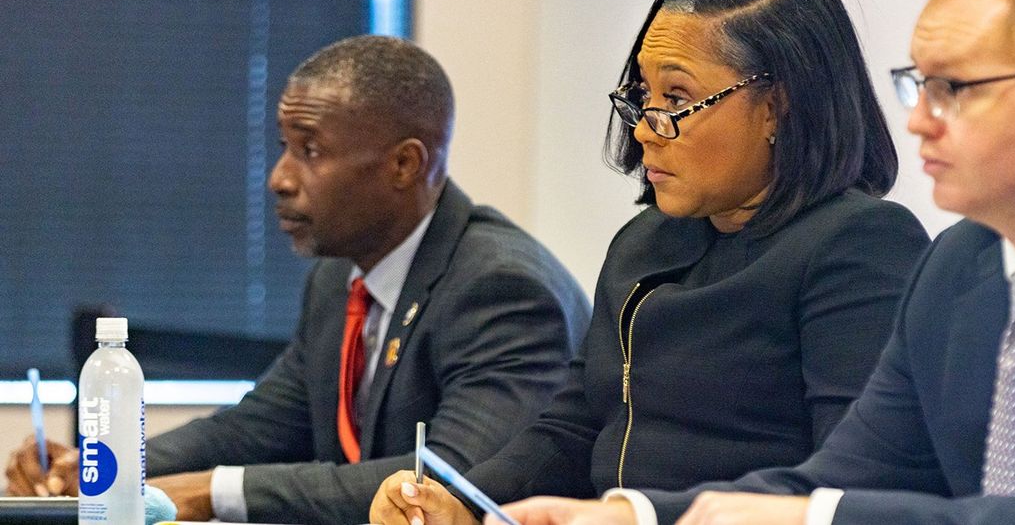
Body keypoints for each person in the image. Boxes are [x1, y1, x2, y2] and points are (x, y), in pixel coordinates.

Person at [499, 0, 1015, 525]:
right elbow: (847, 476)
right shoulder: (959, 267)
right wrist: (634, 514)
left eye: (953, 88)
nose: (918, 119)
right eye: (915, 84)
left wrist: (810, 514)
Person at [369, 0, 932, 525]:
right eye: (644, 94)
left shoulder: (860, 244)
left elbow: (851, 479)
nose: (644, 127)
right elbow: (575, 427)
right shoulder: (644, 241)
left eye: (678, 99)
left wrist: (641, 515)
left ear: (775, 109)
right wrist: (461, 499)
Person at [5, 35, 591, 525]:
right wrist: (100, 467)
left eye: (310, 151)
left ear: (404, 164)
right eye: (286, 148)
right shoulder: (340, 277)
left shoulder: (504, 290)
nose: (280, 179)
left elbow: (441, 481)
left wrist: (210, 492)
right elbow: (256, 427)